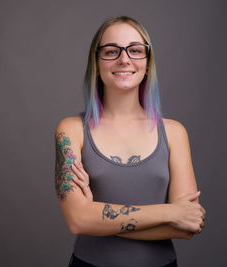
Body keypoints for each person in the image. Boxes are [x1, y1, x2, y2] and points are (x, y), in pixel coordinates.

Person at [54, 16, 206, 267]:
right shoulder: (71, 130)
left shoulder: (175, 132)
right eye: (111, 51)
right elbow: (78, 221)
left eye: (135, 50)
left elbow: (187, 225)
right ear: (96, 62)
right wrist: (169, 212)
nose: (124, 59)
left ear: (147, 63)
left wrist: (97, 215)